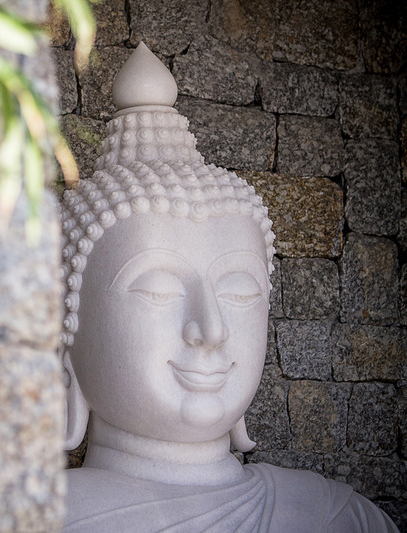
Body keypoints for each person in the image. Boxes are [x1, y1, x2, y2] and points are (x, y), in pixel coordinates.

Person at [58, 43, 399, 532]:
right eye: (157, 290)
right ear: (66, 333)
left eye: (240, 294)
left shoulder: (338, 516)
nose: (211, 329)